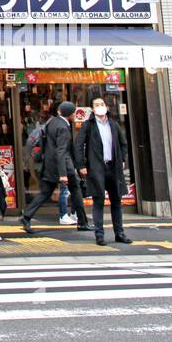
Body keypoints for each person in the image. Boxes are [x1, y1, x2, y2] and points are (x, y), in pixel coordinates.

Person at [21, 101, 89, 234]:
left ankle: (26, 216)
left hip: (50, 164)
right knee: (76, 191)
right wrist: (63, 174)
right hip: (64, 166)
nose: (74, 115)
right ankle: (82, 222)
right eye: (74, 113)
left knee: (45, 192)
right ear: (70, 114)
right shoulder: (63, 127)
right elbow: (61, 151)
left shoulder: (52, 122)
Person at [75, 96, 133, 246]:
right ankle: (99, 235)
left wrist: (121, 158)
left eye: (101, 104)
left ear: (106, 107)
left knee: (116, 201)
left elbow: (123, 144)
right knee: (98, 201)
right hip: (96, 168)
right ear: (92, 109)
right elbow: (78, 145)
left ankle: (119, 233)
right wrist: (81, 165)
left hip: (113, 167)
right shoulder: (88, 125)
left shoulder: (113, 124)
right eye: (96, 104)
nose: (100, 106)